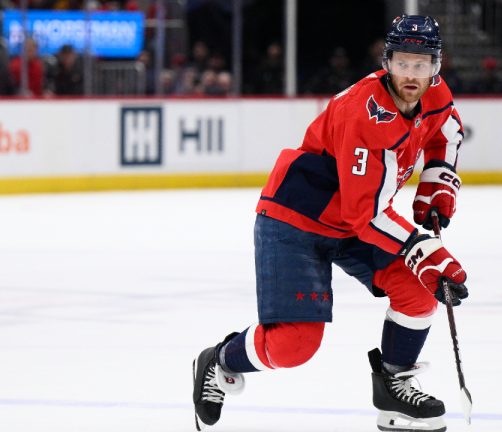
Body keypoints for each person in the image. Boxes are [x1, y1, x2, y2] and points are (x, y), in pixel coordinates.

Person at [191, 14, 469, 432]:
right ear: (387, 62)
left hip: (355, 221)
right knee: (294, 345)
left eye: (421, 64)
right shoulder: (363, 115)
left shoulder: (435, 93)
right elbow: (365, 215)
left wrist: (437, 182)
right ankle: (219, 361)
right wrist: (423, 250)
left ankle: (393, 389)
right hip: (296, 221)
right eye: (402, 63)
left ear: (436, 66)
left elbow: (447, 132)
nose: (411, 75)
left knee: (416, 289)